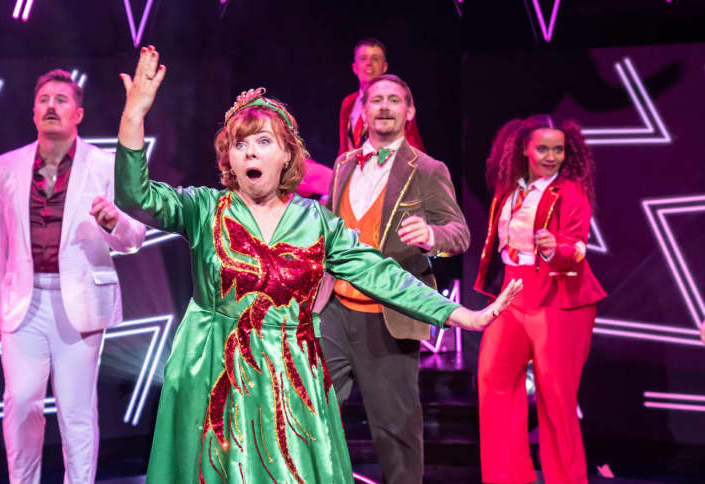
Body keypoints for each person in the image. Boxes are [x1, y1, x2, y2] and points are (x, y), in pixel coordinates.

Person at [113, 46, 522, 483]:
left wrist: (463, 315)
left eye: (263, 142)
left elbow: (381, 275)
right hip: (216, 369)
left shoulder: (317, 224)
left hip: (291, 376)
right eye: (240, 144)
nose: (250, 153)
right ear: (228, 158)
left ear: (287, 155)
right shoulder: (204, 208)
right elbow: (136, 197)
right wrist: (134, 116)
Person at [0, 69, 147, 484]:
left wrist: (113, 222)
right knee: (20, 402)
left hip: (80, 303)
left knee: (75, 411)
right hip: (23, 301)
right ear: (34, 112)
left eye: (60, 99)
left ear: (79, 113)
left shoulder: (104, 165)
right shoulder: (7, 166)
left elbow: (135, 238)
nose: (51, 105)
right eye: (43, 99)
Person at [315, 73, 470, 483]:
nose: (384, 107)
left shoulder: (428, 169)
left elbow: (459, 234)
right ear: (362, 111)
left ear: (409, 111)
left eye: (394, 100)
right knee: (313, 409)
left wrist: (432, 237)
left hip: (389, 316)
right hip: (333, 310)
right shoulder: (344, 164)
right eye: (376, 100)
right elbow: (331, 228)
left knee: (394, 428)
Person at [474, 115, 606, 484]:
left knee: (556, 399)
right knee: (492, 379)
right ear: (524, 148)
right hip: (513, 293)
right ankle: (507, 477)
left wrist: (556, 247)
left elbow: (576, 245)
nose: (552, 156)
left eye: (558, 149)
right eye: (543, 148)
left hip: (559, 296)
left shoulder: (571, 192)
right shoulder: (509, 190)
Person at [338, 38, 425, 155]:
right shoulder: (348, 102)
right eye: (363, 59)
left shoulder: (397, 100)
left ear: (384, 67)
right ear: (355, 67)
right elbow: (344, 148)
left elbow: (412, 142)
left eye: (375, 59)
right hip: (355, 170)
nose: (369, 63)